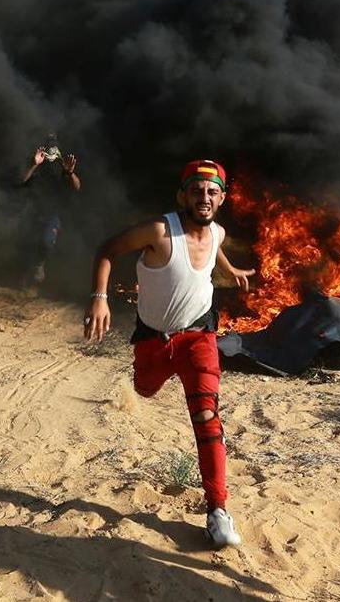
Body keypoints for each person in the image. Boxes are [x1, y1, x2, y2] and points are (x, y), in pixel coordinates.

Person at [83, 160, 255, 548]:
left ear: (222, 198)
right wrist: (99, 298)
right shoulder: (160, 231)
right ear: (183, 195)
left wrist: (231, 270)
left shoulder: (218, 231)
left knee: (208, 417)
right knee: (143, 389)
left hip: (199, 338)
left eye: (212, 192)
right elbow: (107, 250)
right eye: (197, 190)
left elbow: (217, 245)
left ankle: (218, 510)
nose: (204, 198)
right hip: (154, 340)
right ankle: (145, 380)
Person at [20, 133, 80, 287]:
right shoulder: (36, 161)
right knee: (25, 245)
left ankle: (39, 265)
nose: (51, 150)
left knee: (46, 242)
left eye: (54, 146)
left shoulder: (62, 165)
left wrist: (70, 173)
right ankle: (23, 279)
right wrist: (34, 164)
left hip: (52, 214)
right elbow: (22, 180)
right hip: (32, 211)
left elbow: (77, 186)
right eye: (48, 145)